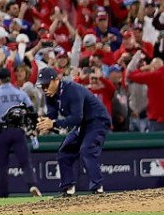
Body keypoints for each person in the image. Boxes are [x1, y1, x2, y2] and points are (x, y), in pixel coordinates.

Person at [36, 67, 111, 196]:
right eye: (42, 85)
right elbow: (52, 116)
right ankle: (68, 188)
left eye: (46, 84)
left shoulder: (72, 90)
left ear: (56, 80)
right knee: (64, 152)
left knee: (87, 150)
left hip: (97, 120)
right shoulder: (50, 95)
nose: (44, 88)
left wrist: (53, 123)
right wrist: (43, 123)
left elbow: (76, 117)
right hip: (83, 124)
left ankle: (98, 188)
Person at [0, 68, 41, 198]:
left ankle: (3, 193)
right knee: (25, 161)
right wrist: (31, 126)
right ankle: (32, 185)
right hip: (18, 130)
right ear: (10, 77)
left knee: (2, 165)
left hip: (2, 131)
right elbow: (32, 111)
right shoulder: (20, 93)